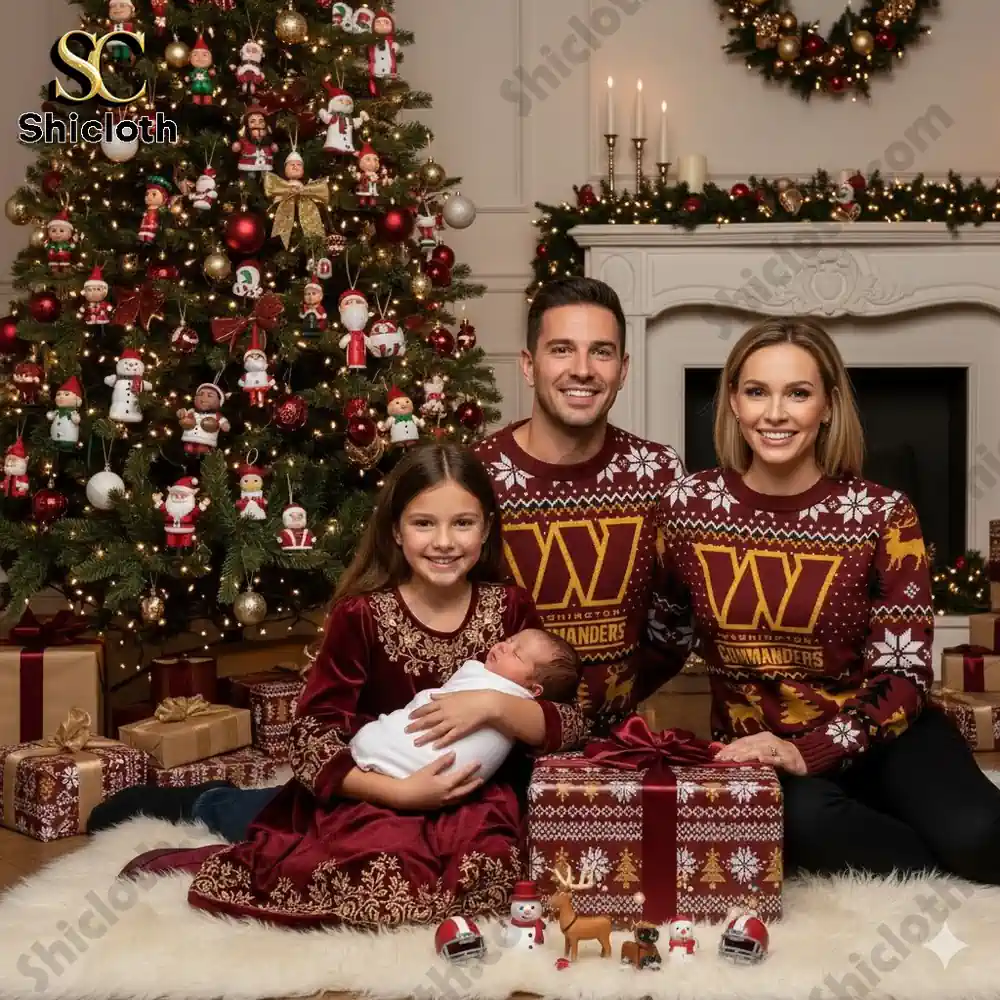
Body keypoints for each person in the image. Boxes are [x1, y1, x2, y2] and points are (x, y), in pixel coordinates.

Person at [90, 277, 689, 840]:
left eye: (602, 353)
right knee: (310, 826)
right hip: (446, 734)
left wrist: (609, 701)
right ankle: (210, 804)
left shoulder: (660, 475)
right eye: (562, 350)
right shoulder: (474, 477)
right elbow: (418, 595)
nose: (582, 370)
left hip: (590, 742)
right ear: (529, 366)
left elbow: (675, 620)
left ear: (624, 368)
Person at [117, 444, 576, 926]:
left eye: (463, 523)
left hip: (469, 795)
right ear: (396, 530)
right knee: (355, 854)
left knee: (495, 869)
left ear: (486, 528)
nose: (445, 541)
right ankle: (205, 800)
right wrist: (400, 795)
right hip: (374, 787)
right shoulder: (361, 615)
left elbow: (565, 719)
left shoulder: (509, 609)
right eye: (424, 524)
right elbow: (312, 736)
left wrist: (491, 707)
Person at [644, 316, 1000, 883]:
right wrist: (579, 718)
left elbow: (904, 675)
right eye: (757, 391)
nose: (776, 413)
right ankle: (916, 848)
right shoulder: (687, 508)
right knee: (804, 825)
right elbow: (662, 640)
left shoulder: (883, 514)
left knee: (983, 839)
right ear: (734, 402)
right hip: (763, 752)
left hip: (884, 736)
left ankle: (922, 834)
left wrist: (811, 751)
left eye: (798, 393)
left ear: (828, 405)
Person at [351, 628, 579, 782]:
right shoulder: (359, 613)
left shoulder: (505, 686)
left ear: (534, 690)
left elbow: (573, 721)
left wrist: (492, 704)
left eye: (516, 655)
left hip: (455, 778)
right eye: (509, 641)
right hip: (376, 782)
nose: (503, 646)